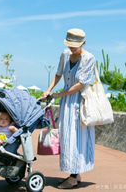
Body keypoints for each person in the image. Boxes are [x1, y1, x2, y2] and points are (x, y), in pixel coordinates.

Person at [41, 28, 95, 189]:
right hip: (66, 103)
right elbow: (58, 74)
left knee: (76, 139)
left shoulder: (89, 58)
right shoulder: (65, 54)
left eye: (75, 45)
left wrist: (60, 94)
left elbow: (81, 84)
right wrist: (49, 90)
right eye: (70, 44)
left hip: (79, 103)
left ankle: (73, 177)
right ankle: (74, 174)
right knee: (67, 137)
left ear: (83, 43)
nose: (72, 48)